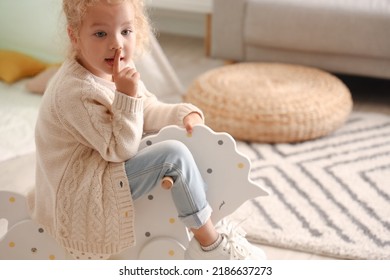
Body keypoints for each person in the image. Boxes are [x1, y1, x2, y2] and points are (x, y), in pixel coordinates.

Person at [27, 0, 266, 260]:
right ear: (74, 36)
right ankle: (211, 246)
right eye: (100, 33)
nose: (116, 43)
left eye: (126, 31)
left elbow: (146, 109)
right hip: (85, 187)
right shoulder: (77, 92)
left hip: (102, 166)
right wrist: (126, 97)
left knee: (181, 145)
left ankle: (206, 220)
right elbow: (120, 149)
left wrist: (182, 114)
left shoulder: (112, 70)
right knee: (173, 156)